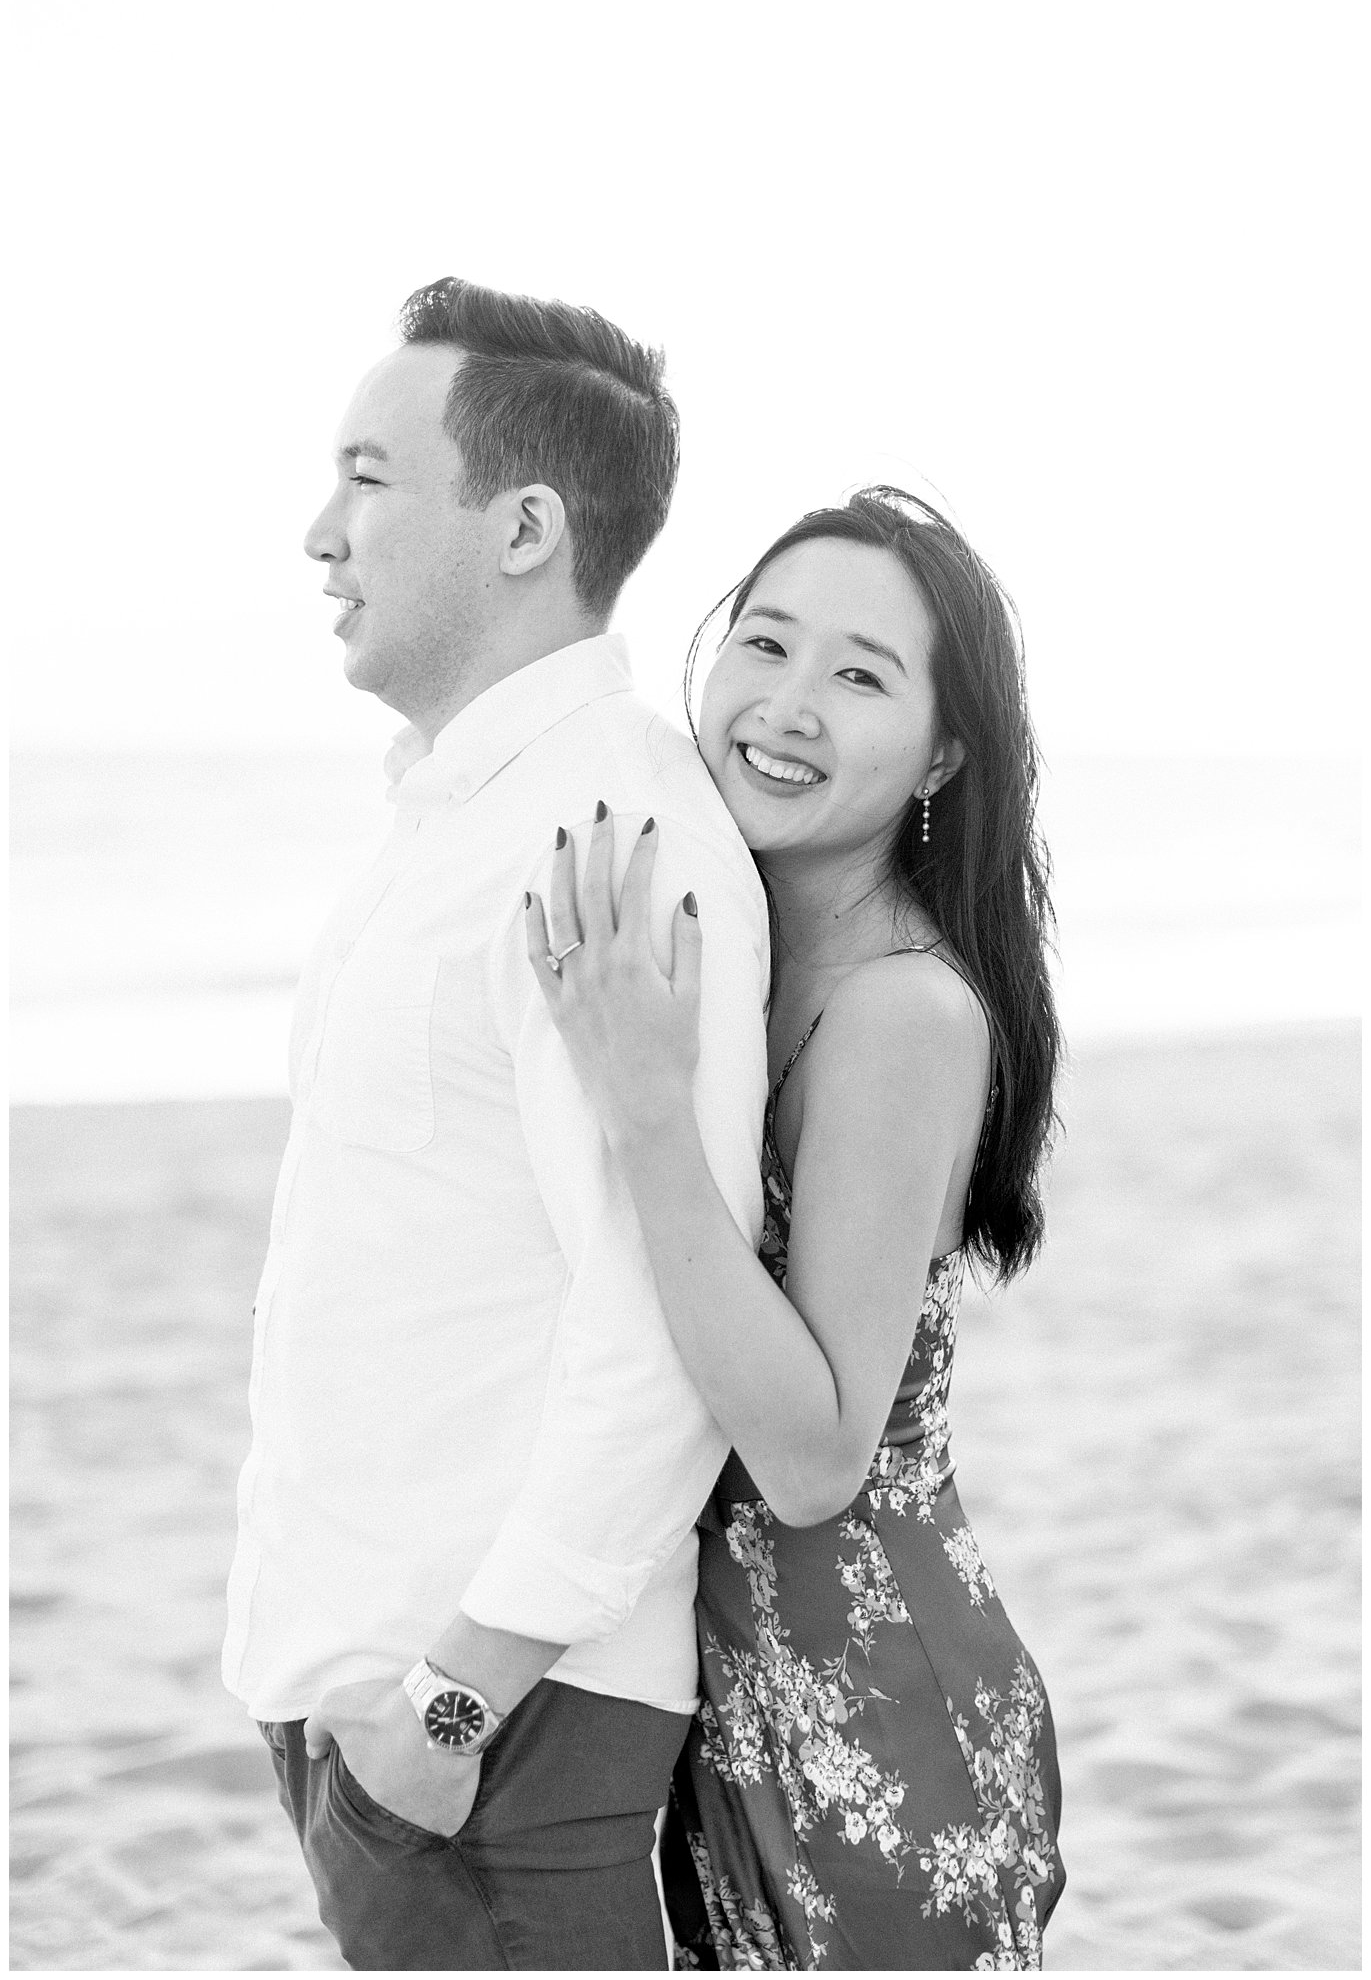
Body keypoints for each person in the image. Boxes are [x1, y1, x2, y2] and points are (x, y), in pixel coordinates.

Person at [221, 277, 772, 1970]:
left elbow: (661, 1323)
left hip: (493, 1734)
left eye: (371, 476)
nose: (323, 533)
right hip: (386, 1708)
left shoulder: (609, 828)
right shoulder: (454, 813)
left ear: (526, 525)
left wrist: (451, 1703)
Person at [527, 487, 1066, 1970]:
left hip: (872, 1724)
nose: (785, 704)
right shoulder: (750, 941)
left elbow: (818, 1460)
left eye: (860, 674)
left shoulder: (898, 1011)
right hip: (729, 1710)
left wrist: (644, 1111)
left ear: (944, 751)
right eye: (764, 644)